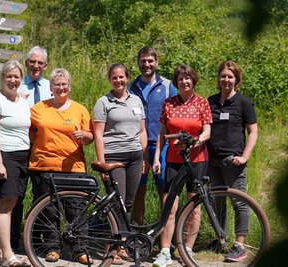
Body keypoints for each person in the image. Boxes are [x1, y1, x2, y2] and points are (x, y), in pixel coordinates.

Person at [29, 68, 94, 264]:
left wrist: (85, 136)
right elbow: (30, 132)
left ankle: (79, 249)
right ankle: (52, 248)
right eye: (57, 84)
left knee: (76, 209)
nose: (61, 87)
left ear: (70, 87)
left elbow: (90, 136)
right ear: (50, 87)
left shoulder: (80, 109)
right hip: (43, 166)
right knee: (49, 210)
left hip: (73, 167)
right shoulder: (39, 108)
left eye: (64, 84)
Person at [152, 64, 212, 267]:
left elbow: (207, 132)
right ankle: (165, 251)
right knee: (170, 206)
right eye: (180, 79)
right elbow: (161, 133)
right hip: (174, 161)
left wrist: (196, 142)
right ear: (176, 82)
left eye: (188, 78)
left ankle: (187, 249)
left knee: (194, 207)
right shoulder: (169, 103)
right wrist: (155, 159)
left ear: (193, 80)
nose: (184, 82)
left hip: (197, 160)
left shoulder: (203, 103)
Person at [93, 63, 149, 265]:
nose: (118, 80)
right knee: (117, 203)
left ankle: (122, 244)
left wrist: (145, 157)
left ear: (127, 78)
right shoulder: (103, 102)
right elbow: (98, 134)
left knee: (129, 203)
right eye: (114, 77)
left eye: (121, 77)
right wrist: (101, 161)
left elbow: (142, 131)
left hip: (135, 156)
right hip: (113, 157)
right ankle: (113, 249)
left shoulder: (136, 100)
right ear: (110, 80)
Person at [207, 60, 258, 262]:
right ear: (218, 79)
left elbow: (253, 131)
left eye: (230, 76)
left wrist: (245, 156)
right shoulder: (210, 101)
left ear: (236, 80)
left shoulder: (243, 102)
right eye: (223, 76)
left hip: (233, 161)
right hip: (212, 161)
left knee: (239, 202)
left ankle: (240, 245)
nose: (226, 80)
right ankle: (221, 239)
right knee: (217, 201)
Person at [0, 60, 31, 267]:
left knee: (12, 204)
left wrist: (21, 97)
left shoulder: (21, 100)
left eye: (17, 76)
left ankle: (2, 253)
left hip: (22, 156)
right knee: (4, 206)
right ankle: (9, 256)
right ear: (2, 78)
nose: (13, 80)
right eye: (9, 76)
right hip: (4, 156)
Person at [129, 45, 177, 225]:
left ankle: (165, 233)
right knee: (138, 189)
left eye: (150, 61)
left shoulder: (167, 86)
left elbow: (176, 112)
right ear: (138, 63)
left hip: (162, 145)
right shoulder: (131, 87)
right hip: (137, 145)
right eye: (143, 61)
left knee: (163, 189)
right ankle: (138, 231)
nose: (147, 64)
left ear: (156, 62)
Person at [11, 46, 52, 252]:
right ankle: (13, 241)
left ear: (45, 66)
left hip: (43, 147)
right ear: (26, 63)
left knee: (43, 194)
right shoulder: (17, 84)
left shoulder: (50, 86)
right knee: (16, 194)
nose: (36, 66)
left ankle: (40, 240)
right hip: (19, 146)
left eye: (40, 63)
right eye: (32, 62)